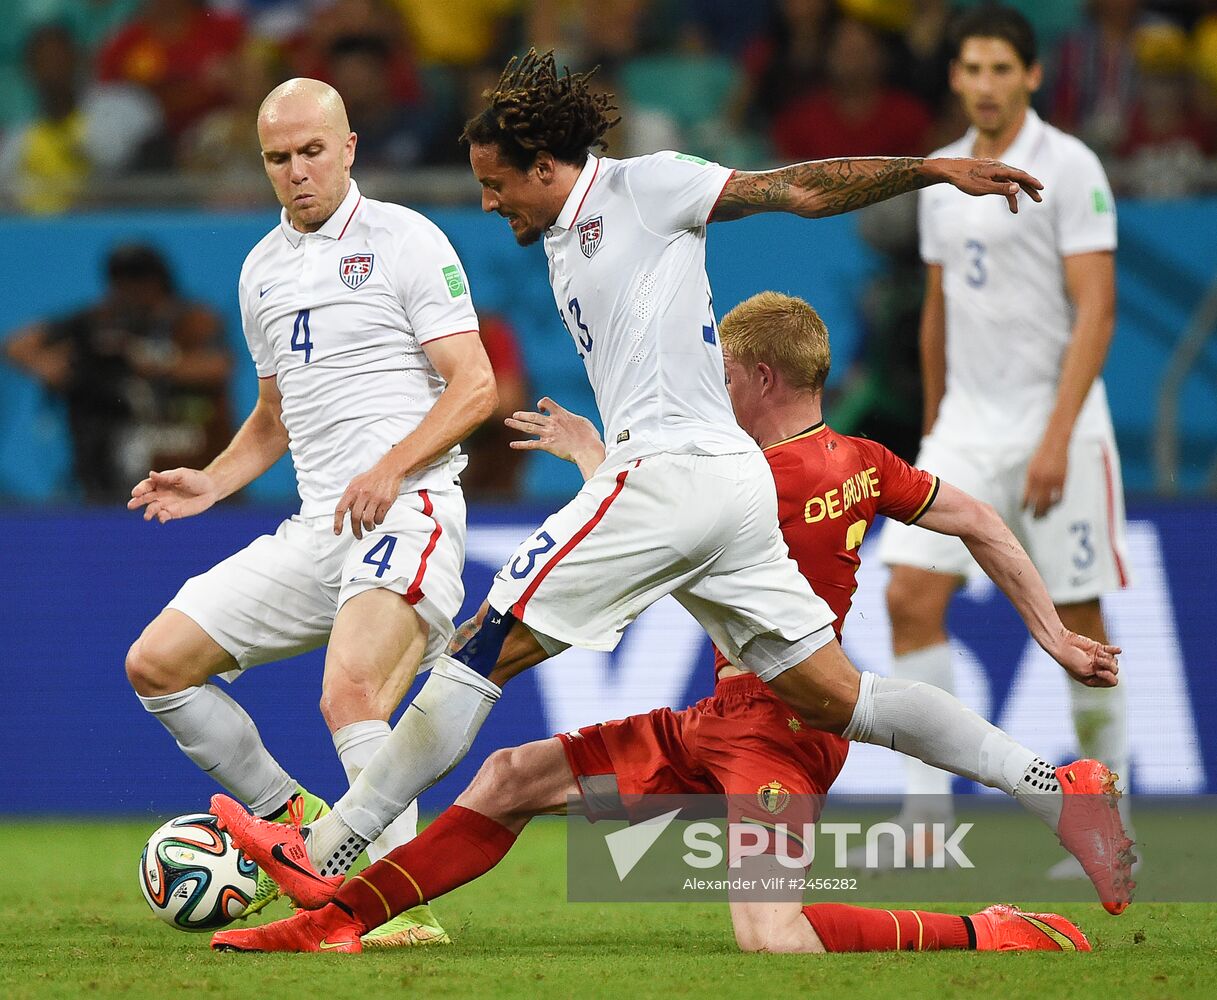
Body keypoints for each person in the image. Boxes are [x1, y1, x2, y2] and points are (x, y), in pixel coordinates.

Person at [213, 49, 1133, 918]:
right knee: (836, 697)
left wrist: (929, 169)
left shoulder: (647, 187)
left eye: (496, 183)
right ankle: (1059, 791)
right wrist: (595, 448)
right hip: (715, 492)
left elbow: (798, 188)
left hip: (677, 477)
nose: (488, 203)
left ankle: (328, 850)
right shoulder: (562, 240)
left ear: (543, 166)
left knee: (482, 650)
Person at [208, 292, 1097, 955]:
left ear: (755, 376)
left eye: (719, 374)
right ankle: (334, 920)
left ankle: (987, 931)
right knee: (511, 777)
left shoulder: (747, 479)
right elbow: (980, 520)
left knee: (771, 935)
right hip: (721, 720)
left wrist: (596, 463)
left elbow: (654, 541)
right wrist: (1050, 634)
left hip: (776, 737)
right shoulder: (863, 461)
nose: (710, 391)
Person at [123, 77, 497, 947]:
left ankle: (399, 909)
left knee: (351, 692)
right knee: (156, 664)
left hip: (409, 506)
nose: (296, 171)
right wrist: (215, 481)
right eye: (278, 158)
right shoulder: (261, 268)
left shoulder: (406, 239)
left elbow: (474, 384)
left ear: (350, 147)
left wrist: (390, 465)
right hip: (320, 524)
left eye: (311, 152)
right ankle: (289, 817)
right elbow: (273, 419)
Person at [877, 5, 1134, 882]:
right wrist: (934, 426)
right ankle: (926, 822)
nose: (984, 82)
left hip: (1055, 423)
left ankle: (1111, 812)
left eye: (1000, 68)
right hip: (964, 429)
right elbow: (940, 309)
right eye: (970, 68)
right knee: (907, 595)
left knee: (1079, 623)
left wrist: (1056, 434)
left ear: (1028, 76)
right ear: (954, 77)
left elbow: (1094, 307)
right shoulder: (945, 176)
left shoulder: (1070, 167)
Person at [4, 242, 230, 502]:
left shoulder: (192, 318)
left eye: (139, 280)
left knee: (139, 451)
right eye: (122, 281)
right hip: (108, 432)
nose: (132, 290)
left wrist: (155, 362)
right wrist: (50, 366)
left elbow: (218, 366)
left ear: (159, 281)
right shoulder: (100, 319)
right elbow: (17, 345)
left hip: (183, 430)